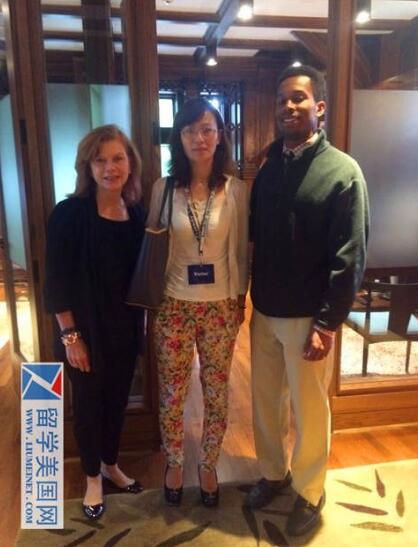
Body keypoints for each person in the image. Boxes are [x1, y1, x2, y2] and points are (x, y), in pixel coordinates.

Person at [245, 65, 369, 536]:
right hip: (265, 310)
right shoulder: (269, 169)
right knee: (265, 403)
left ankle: (310, 491)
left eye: (298, 98)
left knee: (310, 409)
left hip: (308, 317)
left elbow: (351, 255)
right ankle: (273, 474)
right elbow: (256, 239)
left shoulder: (343, 172)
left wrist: (328, 323)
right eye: (282, 100)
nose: (288, 107)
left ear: (319, 107)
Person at [148, 98, 249, 508]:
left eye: (207, 129)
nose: (199, 138)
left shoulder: (236, 190)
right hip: (173, 304)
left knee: (216, 389)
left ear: (220, 135)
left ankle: (208, 464)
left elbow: (241, 251)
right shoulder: (163, 188)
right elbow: (152, 248)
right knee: (173, 390)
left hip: (220, 306)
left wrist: (239, 300)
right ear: (179, 138)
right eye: (190, 130)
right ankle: (175, 462)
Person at [44, 124, 145, 520]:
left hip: (124, 330)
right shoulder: (68, 215)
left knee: (116, 402)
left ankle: (110, 464)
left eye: (117, 158)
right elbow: (56, 281)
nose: (109, 168)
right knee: (88, 405)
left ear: (130, 163)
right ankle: (91, 479)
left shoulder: (136, 214)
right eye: (100, 160)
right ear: (87, 166)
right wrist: (71, 337)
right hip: (83, 332)